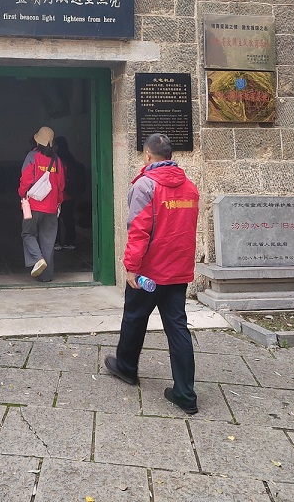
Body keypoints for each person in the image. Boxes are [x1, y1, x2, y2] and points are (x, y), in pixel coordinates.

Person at [104, 133, 200, 415]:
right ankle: (185, 393)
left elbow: (138, 230)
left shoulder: (145, 185)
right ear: (170, 155)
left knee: (134, 317)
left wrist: (131, 266)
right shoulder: (190, 187)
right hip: (178, 271)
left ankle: (126, 367)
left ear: (147, 155)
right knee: (178, 328)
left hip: (150, 271)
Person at [18, 126, 65, 282]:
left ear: (37, 141)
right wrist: (58, 202)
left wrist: (22, 194)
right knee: (48, 241)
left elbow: (26, 180)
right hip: (52, 206)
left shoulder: (32, 156)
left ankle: (37, 259)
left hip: (33, 204)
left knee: (28, 234)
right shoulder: (57, 160)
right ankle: (46, 276)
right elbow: (61, 185)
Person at [53, 135, 82, 251]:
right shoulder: (70, 158)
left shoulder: (55, 159)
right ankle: (70, 241)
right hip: (69, 194)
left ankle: (56, 242)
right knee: (69, 219)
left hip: (58, 194)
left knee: (55, 219)